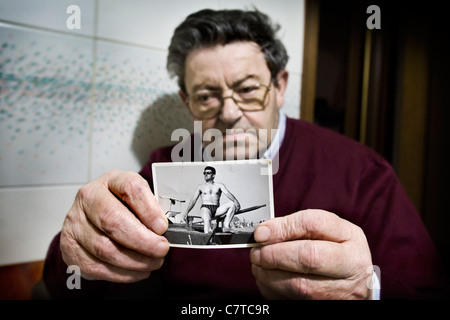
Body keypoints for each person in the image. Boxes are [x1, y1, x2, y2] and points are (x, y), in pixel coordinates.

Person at [43, 8, 448, 299]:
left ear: (281, 85)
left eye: (249, 89)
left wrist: (367, 287)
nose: (230, 113)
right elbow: (66, 285)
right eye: (206, 96)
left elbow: (425, 287)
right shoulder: (165, 166)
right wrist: (75, 251)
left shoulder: (360, 172)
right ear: (187, 102)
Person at [181, 166, 241, 233]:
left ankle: (226, 226)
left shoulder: (219, 185)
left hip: (216, 209)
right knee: (207, 220)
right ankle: (207, 237)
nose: (206, 174)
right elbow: (193, 200)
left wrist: (236, 202)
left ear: (213, 175)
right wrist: (186, 212)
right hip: (206, 208)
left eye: (208, 173)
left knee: (232, 204)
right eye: (204, 173)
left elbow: (227, 194)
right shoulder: (200, 187)